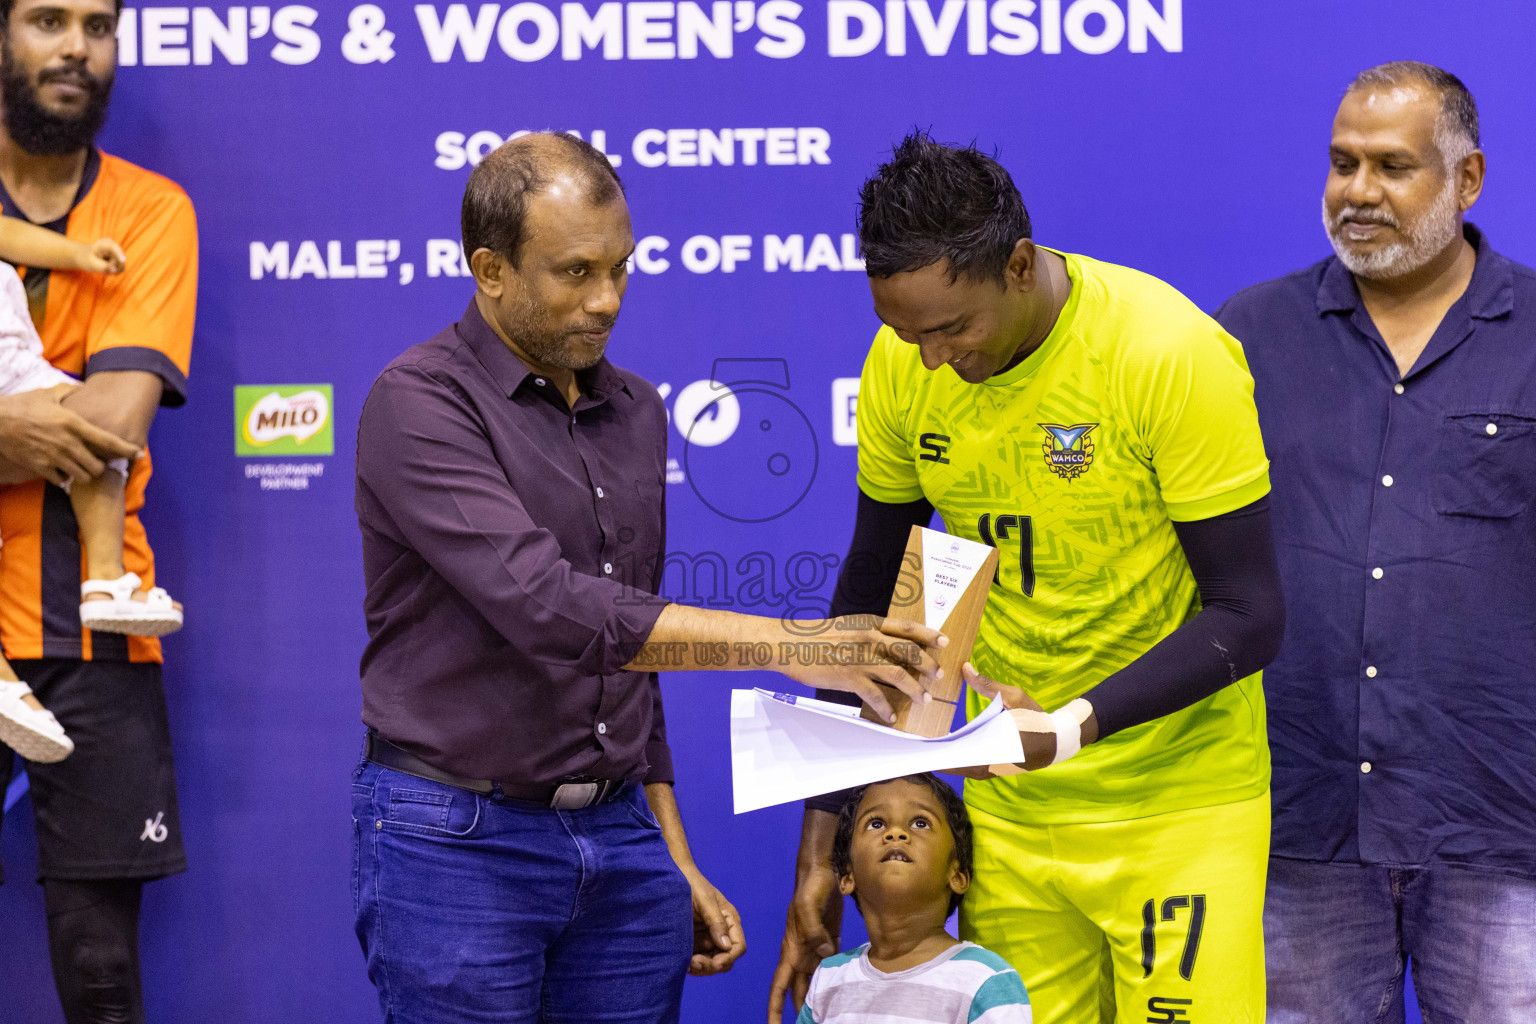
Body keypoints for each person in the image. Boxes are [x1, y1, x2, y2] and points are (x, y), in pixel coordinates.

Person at [353, 131, 945, 1023]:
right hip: (459, 841)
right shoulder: (419, 402)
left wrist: (671, 856)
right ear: (490, 269)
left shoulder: (634, 411)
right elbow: (551, 607)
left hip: (623, 844)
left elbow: (630, 638)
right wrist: (793, 645)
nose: (607, 300)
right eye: (576, 272)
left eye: (622, 268)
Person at [770, 133, 1286, 1024]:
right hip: (1008, 814)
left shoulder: (1168, 352)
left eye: (949, 328)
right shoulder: (905, 364)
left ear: (1016, 266)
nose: (928, 359)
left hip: (1180, 807)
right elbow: (870, 599)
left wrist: (1070, 729)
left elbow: (1251, 614)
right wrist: (821, 846)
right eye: (902, 333)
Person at [1215, 62, 1536, 1023]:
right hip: (1299, 823)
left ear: (1467, 179)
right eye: (1342, 163)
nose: (1358, 192)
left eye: (1393, 167)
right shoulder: (1248, 335)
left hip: (1500, 822)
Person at [0, 0, 200, 1020]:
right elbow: (76, 420)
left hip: (95, 619)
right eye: (46, 19)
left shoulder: (150, 213)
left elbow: (116, 423)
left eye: (97, 24)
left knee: (102, 967)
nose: (77, 46)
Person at [0, 219, 185, 765]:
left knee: (100, 437)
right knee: (97, 440)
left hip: (17, 370)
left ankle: (105, 585)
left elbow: (11, 236)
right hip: (15, 372)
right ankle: (10, 681)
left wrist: (79, 254)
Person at [798, 774, 1032, 1024]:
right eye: (876, 824)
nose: (895, 833)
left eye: (920, 823)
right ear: (846, 876)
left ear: (958, 875)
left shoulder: (985, 979)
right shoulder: (829, 979)